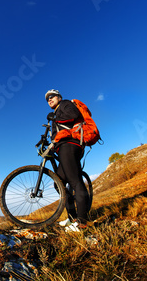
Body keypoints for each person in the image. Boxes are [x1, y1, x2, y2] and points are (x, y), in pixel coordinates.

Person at [45, 89, 90, 232]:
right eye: (47, 99)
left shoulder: (65, 104)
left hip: (71, 144)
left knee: (75, 180)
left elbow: (74, 114)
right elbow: (58, 133)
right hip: (63, 147)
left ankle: (82, 223)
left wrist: (55, 118)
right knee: (59, 184)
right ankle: (73, 218)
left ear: (59, 97)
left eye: (52, 97)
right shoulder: (57, 112)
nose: (49, 100)